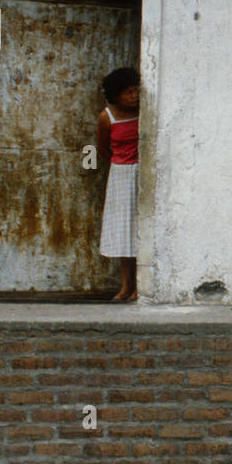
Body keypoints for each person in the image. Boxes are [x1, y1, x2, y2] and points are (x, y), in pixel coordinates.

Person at [96, 67, 140, 300]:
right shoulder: (107, 116)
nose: (134, 96)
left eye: (135, 91)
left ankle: (140, 287)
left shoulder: (144, 111)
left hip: (142, 173)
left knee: (140, 227)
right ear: (116, 95)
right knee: (124, 229)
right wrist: (120, 162)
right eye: (128, 92)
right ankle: (126, 286)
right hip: (121, 175)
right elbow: (103, 148)